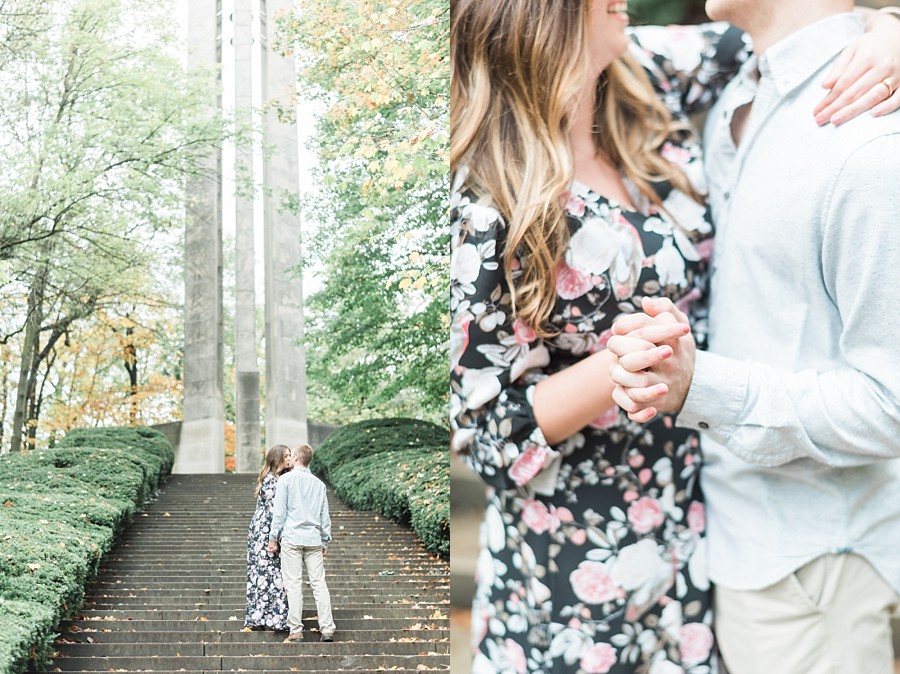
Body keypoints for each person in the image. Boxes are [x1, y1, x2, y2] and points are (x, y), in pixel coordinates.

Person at [450, 1, 900, 672]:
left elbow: (792, 29)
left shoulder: (644, 71)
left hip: (695, 531)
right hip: (572, 565)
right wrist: (623, 365)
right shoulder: (484, 203)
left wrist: (889, 27)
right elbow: (486, 435)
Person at [606, 3, 900, 673]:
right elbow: (542, 36)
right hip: (736, 548)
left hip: (815, 570)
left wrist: (696, 385)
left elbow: (894, 405)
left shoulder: (870, 144)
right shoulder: (741, 80)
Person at [268, 443, 335, 643]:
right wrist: (325, 541)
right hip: (314, 539)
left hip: (292, 538)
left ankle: (296, 630)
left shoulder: (286, 480)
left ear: (296, 458)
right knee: (319, 584)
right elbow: (325, 517)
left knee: (293, 584)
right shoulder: (319, 484)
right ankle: (327, 629)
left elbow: (279, 513)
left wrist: (273, 539)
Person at [243, 444, 293, 632]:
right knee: (266, 575)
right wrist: (275, 538)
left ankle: (268, 618)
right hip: (265, 533)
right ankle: (268, 619)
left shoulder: (280, 478)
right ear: (277, 457)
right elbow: (274, 511)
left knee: (271, 575)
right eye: (286, 456)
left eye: (291, 455)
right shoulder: (272, 480)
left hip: (267, 531)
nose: (290, 459)